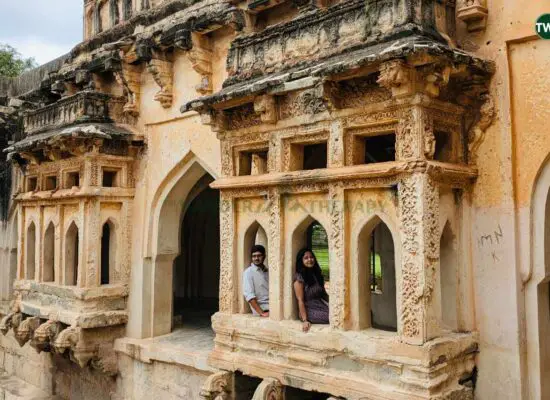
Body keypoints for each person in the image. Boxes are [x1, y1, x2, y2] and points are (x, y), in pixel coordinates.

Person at [293, 248, 329, 332]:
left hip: (320, 305)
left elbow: (323, 294)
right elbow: (300, 300)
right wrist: (305, 320)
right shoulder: (299, 277)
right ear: (301, 261)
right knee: (333, 318)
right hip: (309, 310)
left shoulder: (316, 274)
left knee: (338, 314)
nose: (310, 260)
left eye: (311, 257)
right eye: (306, 258)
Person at [242, 244, 269, 317]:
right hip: (263, 310)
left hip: (273, 308)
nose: (256, 258)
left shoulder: (268, 272)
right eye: (254, 256)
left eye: (259, 255)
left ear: (264, 256)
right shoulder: (248, 272)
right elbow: (249, 296)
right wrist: (262, 313)